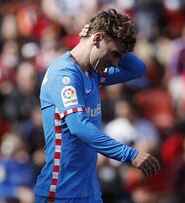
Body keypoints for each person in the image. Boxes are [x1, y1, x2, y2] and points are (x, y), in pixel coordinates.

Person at [34, 8, 160, 203]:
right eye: (114, 54)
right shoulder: (64, 75)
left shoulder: (92, 74)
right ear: (97, 39)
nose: (115, 63)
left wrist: (108, 40)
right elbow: (79, 126)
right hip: (60, 192)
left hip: (89, 192)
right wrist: (130, 154)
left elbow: (138, 68)